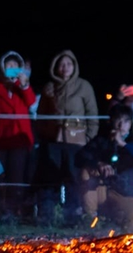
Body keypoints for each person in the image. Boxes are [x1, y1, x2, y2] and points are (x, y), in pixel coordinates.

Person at [36, 49, 100, 222]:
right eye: (61, 64)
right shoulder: (49, 87)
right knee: (51, 178)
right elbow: (40, 115)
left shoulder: (84, 86)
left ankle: (73, 216)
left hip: (76, 141)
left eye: (69, 64)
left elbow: (92, 114)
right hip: (53, 141)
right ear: (56, 67)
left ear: (74, 66)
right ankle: (48, 216)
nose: (65, 67)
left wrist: (88, 139)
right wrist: (44, 135)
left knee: (74, 178)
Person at [0, 51, 37, 218]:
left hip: (19, 138)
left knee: (16, 176)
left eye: (15, 66)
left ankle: (15, 210)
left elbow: (32, 104)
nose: (12, 68)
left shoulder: (23, 86)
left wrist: (24, 85)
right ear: (2, 67)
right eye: (9, 65)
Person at [75, 104, 133, 233]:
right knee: (86, 171)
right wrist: (98, 164)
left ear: (131, 124)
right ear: (111, 121)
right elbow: (80, 157)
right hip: (102, 190)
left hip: (125, 192)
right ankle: (90, 220)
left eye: (126, 121)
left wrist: (123, 144)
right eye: (118, 120)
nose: (121, 126)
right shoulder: (101, 140)